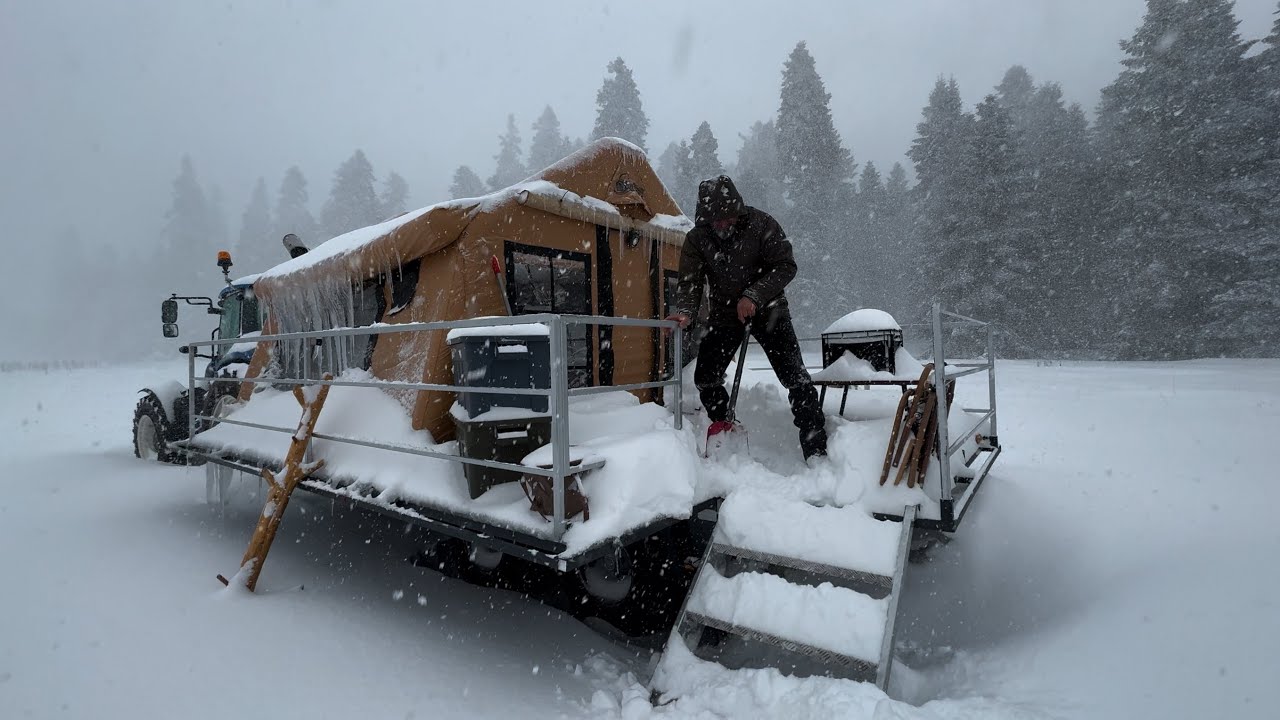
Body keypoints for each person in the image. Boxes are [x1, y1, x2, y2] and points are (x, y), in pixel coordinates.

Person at [666, 175, 828, 460]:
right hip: (725, 314)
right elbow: (690, 282)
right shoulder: (697, 239)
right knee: (706, 377)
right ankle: (725, 427)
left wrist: (753, 295)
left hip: (770, 310)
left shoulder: (762, 225)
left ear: (736, 210)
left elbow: (786, 266)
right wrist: (686, 312)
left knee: (795, 377)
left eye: (725, 218)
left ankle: (816, 448)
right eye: (713, 220)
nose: (720, 224)